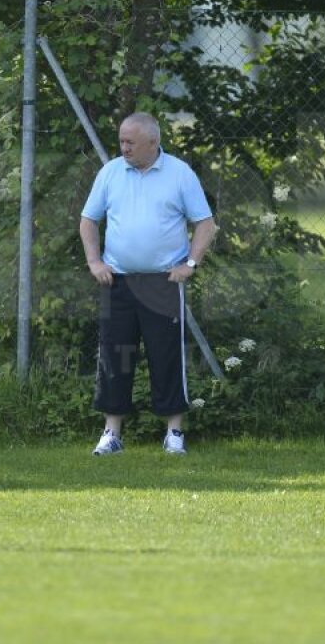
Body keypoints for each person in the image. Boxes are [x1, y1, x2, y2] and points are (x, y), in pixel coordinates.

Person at [79, 112, 217, 456]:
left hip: (163, 282)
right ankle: (111, 434)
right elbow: (88, 220)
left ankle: (174, 435)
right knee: (115, 356)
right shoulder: (111, 172)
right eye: (121, 141)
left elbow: (205, 223)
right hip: (118, 282)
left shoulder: (179, 174)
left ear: (153, 143)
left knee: (166, 355)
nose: (123, 148)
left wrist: (191, 264)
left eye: (131, 142)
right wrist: (94, 261)